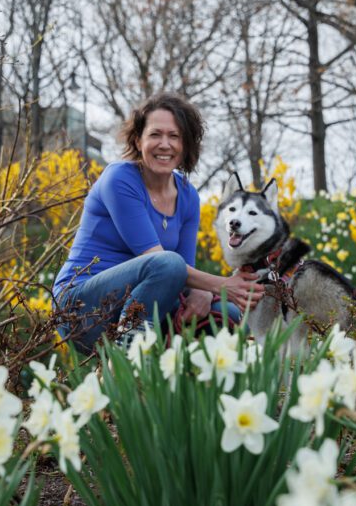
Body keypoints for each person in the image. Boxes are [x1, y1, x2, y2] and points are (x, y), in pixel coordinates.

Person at [52, 92, 262, 354]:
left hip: (141, 306)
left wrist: (206, 293)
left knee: (225, 312)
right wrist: (222, 284)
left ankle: (186, 390)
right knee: (168, 263)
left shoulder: (187, 195)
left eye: (174, 136)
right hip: (83, 308)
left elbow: (186, 273)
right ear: (138, 140)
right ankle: (130, 366)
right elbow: (161, 262)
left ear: (186, 144)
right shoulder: (119, 179)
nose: (165, 144)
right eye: (155, 135)